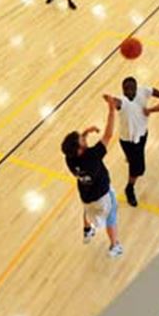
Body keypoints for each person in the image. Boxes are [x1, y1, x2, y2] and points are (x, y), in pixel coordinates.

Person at [62, 96, 124, 258]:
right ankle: (114, 246)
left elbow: (77, 149)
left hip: (86, 195)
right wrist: (111, 109)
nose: (84, 139)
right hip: (102, 195)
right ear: (81, 148)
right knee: (111, 218)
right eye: (82, 139)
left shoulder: (69, 158)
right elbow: (108, 135)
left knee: (87, 212)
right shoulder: (92, 156)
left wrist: (85, 133)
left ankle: (87, 230)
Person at [108, 77, 159, 207]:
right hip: (128, 141)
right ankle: (129, 188)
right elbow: (117, 102)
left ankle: (130, 159)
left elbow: (153, 91)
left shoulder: (143, 91)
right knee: (139, 169)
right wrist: (111, 101)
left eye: (131, 88)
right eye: (125, 89)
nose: (128, 91)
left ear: (136, 88)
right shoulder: (123, 101)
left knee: (135, 160)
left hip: (143, 134)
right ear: (122, 90)